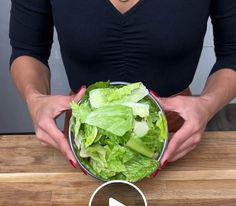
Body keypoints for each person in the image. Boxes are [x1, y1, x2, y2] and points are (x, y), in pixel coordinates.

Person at [9, 0, 236, 170]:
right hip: (86, 144)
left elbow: (232, 54)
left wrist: (206, 105)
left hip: (176, 139)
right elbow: (28, 50)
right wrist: (35, 98)